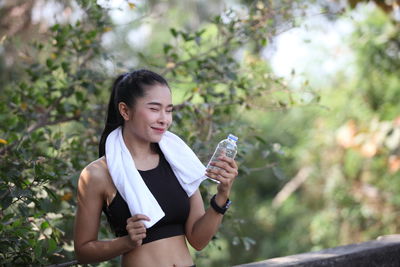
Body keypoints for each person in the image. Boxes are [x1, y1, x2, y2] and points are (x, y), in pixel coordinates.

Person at [73, 69, 238, 267]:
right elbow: (83, 252)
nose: (164, 119)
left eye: (168, 110)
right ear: (125, 110)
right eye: (154, 109)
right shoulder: (98, 174)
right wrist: (126, 242)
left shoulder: (178, 160)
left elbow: (198, 240)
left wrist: (222, 194)